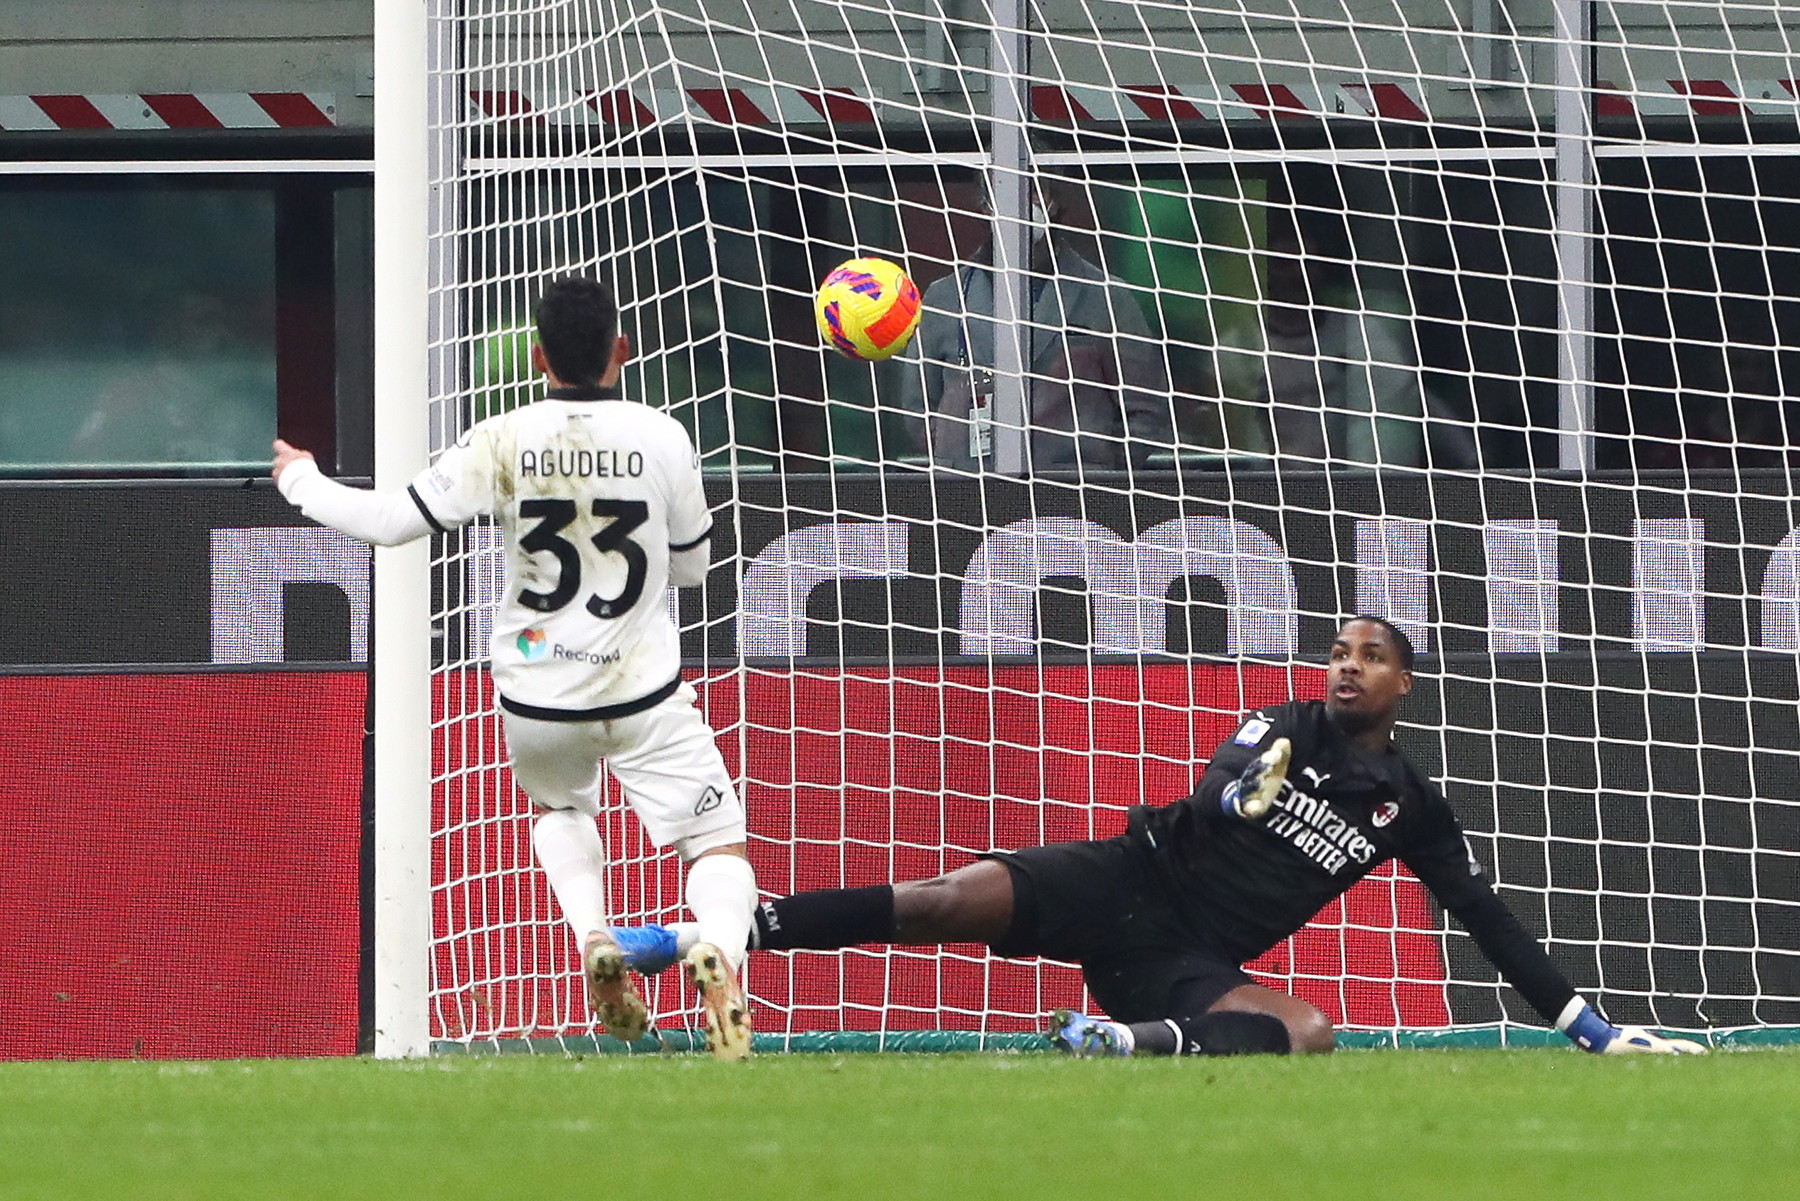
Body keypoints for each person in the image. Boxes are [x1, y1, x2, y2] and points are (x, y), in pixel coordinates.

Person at [625, 616, 1706, 1057]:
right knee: (944, 899)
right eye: (1336, 649)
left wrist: (1591, 1028)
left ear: (1404, 682)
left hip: (1180, 959)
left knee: (1313, 1029)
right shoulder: (1287, 724)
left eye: (1368, 655)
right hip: (1124, 876)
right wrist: (1241, 799)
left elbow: (1482, 914)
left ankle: (1130, 1041)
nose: (1343, 665)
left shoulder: (1407, 807)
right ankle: (732, 931)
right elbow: (1222, 782)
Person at [270, 275, 756, 1060]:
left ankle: (596, 934)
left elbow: (392, 520)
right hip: (644, 689)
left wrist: (301, 477)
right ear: (620, 351)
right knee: (715, 843)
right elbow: (696, 568)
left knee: (561, 811)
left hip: (536, 694)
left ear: (537, 356)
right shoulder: (665, 436)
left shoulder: (500, 437)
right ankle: (722, 962)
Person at [894, 181, 1174, 474]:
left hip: (1075, 498)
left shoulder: (1105, 295)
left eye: (1035, 191)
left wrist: (1099, 471)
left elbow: (1146, 408)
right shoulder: (945, 296)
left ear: (1054, 202)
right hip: (970, 493)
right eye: (1005, 189)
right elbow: (918, 410)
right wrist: (956, 457)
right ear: (985, 206)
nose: (1021, 203)